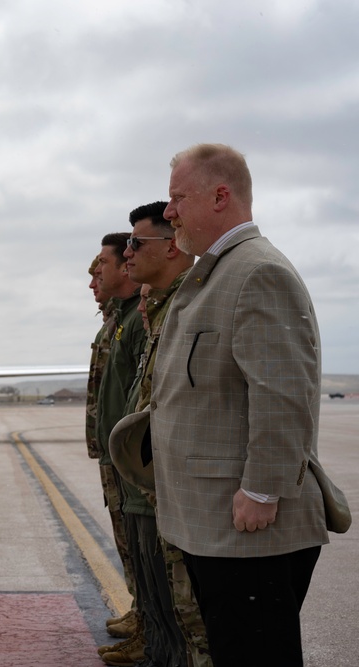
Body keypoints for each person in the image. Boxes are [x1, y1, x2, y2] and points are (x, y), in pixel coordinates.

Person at [150, 144, 327, 667]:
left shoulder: (256, 273)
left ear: (220, 196)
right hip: (216, 525)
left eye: (178, 198)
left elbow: (284, 394)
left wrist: (262, 489)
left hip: (249, 529)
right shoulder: (218, 271)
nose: (169, 212)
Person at [118, 202, 208, 667]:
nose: (128, 253)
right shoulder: (160, 307)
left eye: (135, 243)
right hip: (152, 489)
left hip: (177, 494)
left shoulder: (188, 304)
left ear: (171, 246)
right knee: (168, 617)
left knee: (191, 623)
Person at [93, 233, 147, 665]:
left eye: (100, 267)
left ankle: (147, 626)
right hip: (116, 453)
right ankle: (141, 615)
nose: (94, 278)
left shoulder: (137, 319)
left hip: (131, 456)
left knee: (140, 544)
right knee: (128, 543)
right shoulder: (119, 320)